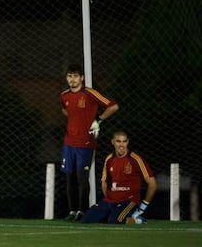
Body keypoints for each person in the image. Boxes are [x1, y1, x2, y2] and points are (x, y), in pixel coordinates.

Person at [60, 64, 119, 221]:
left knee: (81, 178)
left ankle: (83, 211)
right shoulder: (64, 95)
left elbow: (113, 106)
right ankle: (72, 211)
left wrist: (98, 120)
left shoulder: (89, 93)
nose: (72, 79)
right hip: (69, 143)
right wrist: (75, 123)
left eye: (75, 76)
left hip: (85, 143)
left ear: (82, 78)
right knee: (69, 178)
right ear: (67, 78)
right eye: (69, 76)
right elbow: (65, 110)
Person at [81, 130, 158, 224]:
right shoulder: (109, 159)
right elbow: (104, 182)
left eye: (124, 141)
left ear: (128, 142)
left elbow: (152, 184)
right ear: (112, 142)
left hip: (128, 201)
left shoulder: (135, 159)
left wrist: (141, 208)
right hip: (110, 201)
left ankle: (138, 220)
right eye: (118, 141)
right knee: (87, 219)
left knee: (115, 220)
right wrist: (109, 198)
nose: (121, 145)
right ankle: (112, 215)